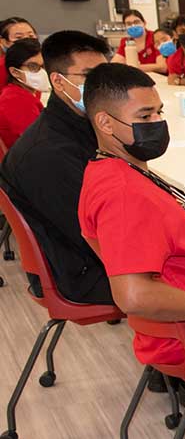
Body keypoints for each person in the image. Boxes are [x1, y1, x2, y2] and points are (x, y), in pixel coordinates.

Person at [78, 63, 185, 423]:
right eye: (145, 115)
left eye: (159, 112)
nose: (157, 122)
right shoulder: (125, 195)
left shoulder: (107, 170)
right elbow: (134, 295)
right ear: (105, 123)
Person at [0, 30, 112, 304]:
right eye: (89, 76)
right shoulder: (47, 154)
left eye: (105, 75)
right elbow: (96, 236)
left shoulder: (73, 126)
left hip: (83, 257)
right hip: (81, 273)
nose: (102, 85)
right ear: (58, 82)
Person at [0, 39, 48, 148]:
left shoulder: (22, 93)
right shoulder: (15, 101)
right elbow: (39, 143)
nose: (42, 72)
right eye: (33, 67)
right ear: (15, 72)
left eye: (44, 66)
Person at [111, 10, 166, 74]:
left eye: (136, 22)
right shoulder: (126, 42)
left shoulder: (155, 38)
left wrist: (135, 67)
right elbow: (114, 65)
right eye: (129, 24)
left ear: (144, 23)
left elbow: (162, 67)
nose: (133, 26)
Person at [0, 17, 37, 87]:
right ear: (5, 42)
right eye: (18, 37)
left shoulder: (45, 62)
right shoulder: (1, 68)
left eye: (31, 36)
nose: (27, 40)